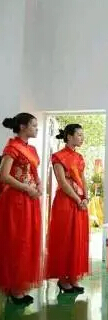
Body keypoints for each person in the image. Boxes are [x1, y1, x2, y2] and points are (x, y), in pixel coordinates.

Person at [0, 113, 42, 305]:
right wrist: (26, 188)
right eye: (33, 125)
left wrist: (38, 185)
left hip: (30, 199)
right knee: (17, 241)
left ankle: (20, 285)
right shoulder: (12, 147)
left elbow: (34, 172)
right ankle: (14, 287)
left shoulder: (31, 149)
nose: (36, 129)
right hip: (16, 199)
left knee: (28, 240)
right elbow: (4, 176)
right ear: (23, 127)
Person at [46, 124, 90, 293]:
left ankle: (73, 276)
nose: (82, 138)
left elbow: (83, 179)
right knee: (64, 238)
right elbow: (62, 182)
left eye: (82, 135)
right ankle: (63, 278)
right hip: (65, 202)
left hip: (80, 202)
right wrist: (77, 199)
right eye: (79, 135)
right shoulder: (58, 156)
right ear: (69, 136)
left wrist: (85, 197)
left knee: (77, 239)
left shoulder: (79, 157)